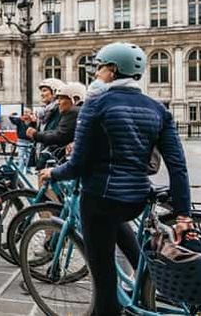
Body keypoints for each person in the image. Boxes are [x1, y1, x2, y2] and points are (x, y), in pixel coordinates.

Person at [39, 42, 192, 316]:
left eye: (99, 67)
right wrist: (183, 214)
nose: (96, 73)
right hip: (135, 199)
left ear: (112, 70)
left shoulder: (96, 105)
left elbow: (78, 165)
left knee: (104, 276)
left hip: (99, 198)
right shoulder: (158, 109)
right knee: (122, 230)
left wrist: (53, 172)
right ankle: (145, 289)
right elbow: (178, 167)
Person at [26, 83, 81, 164]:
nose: (58, 102)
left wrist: (35, 135)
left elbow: (60, 135)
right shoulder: (47, 113)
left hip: (60, 157)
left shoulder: (70, 112)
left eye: (61, 99)